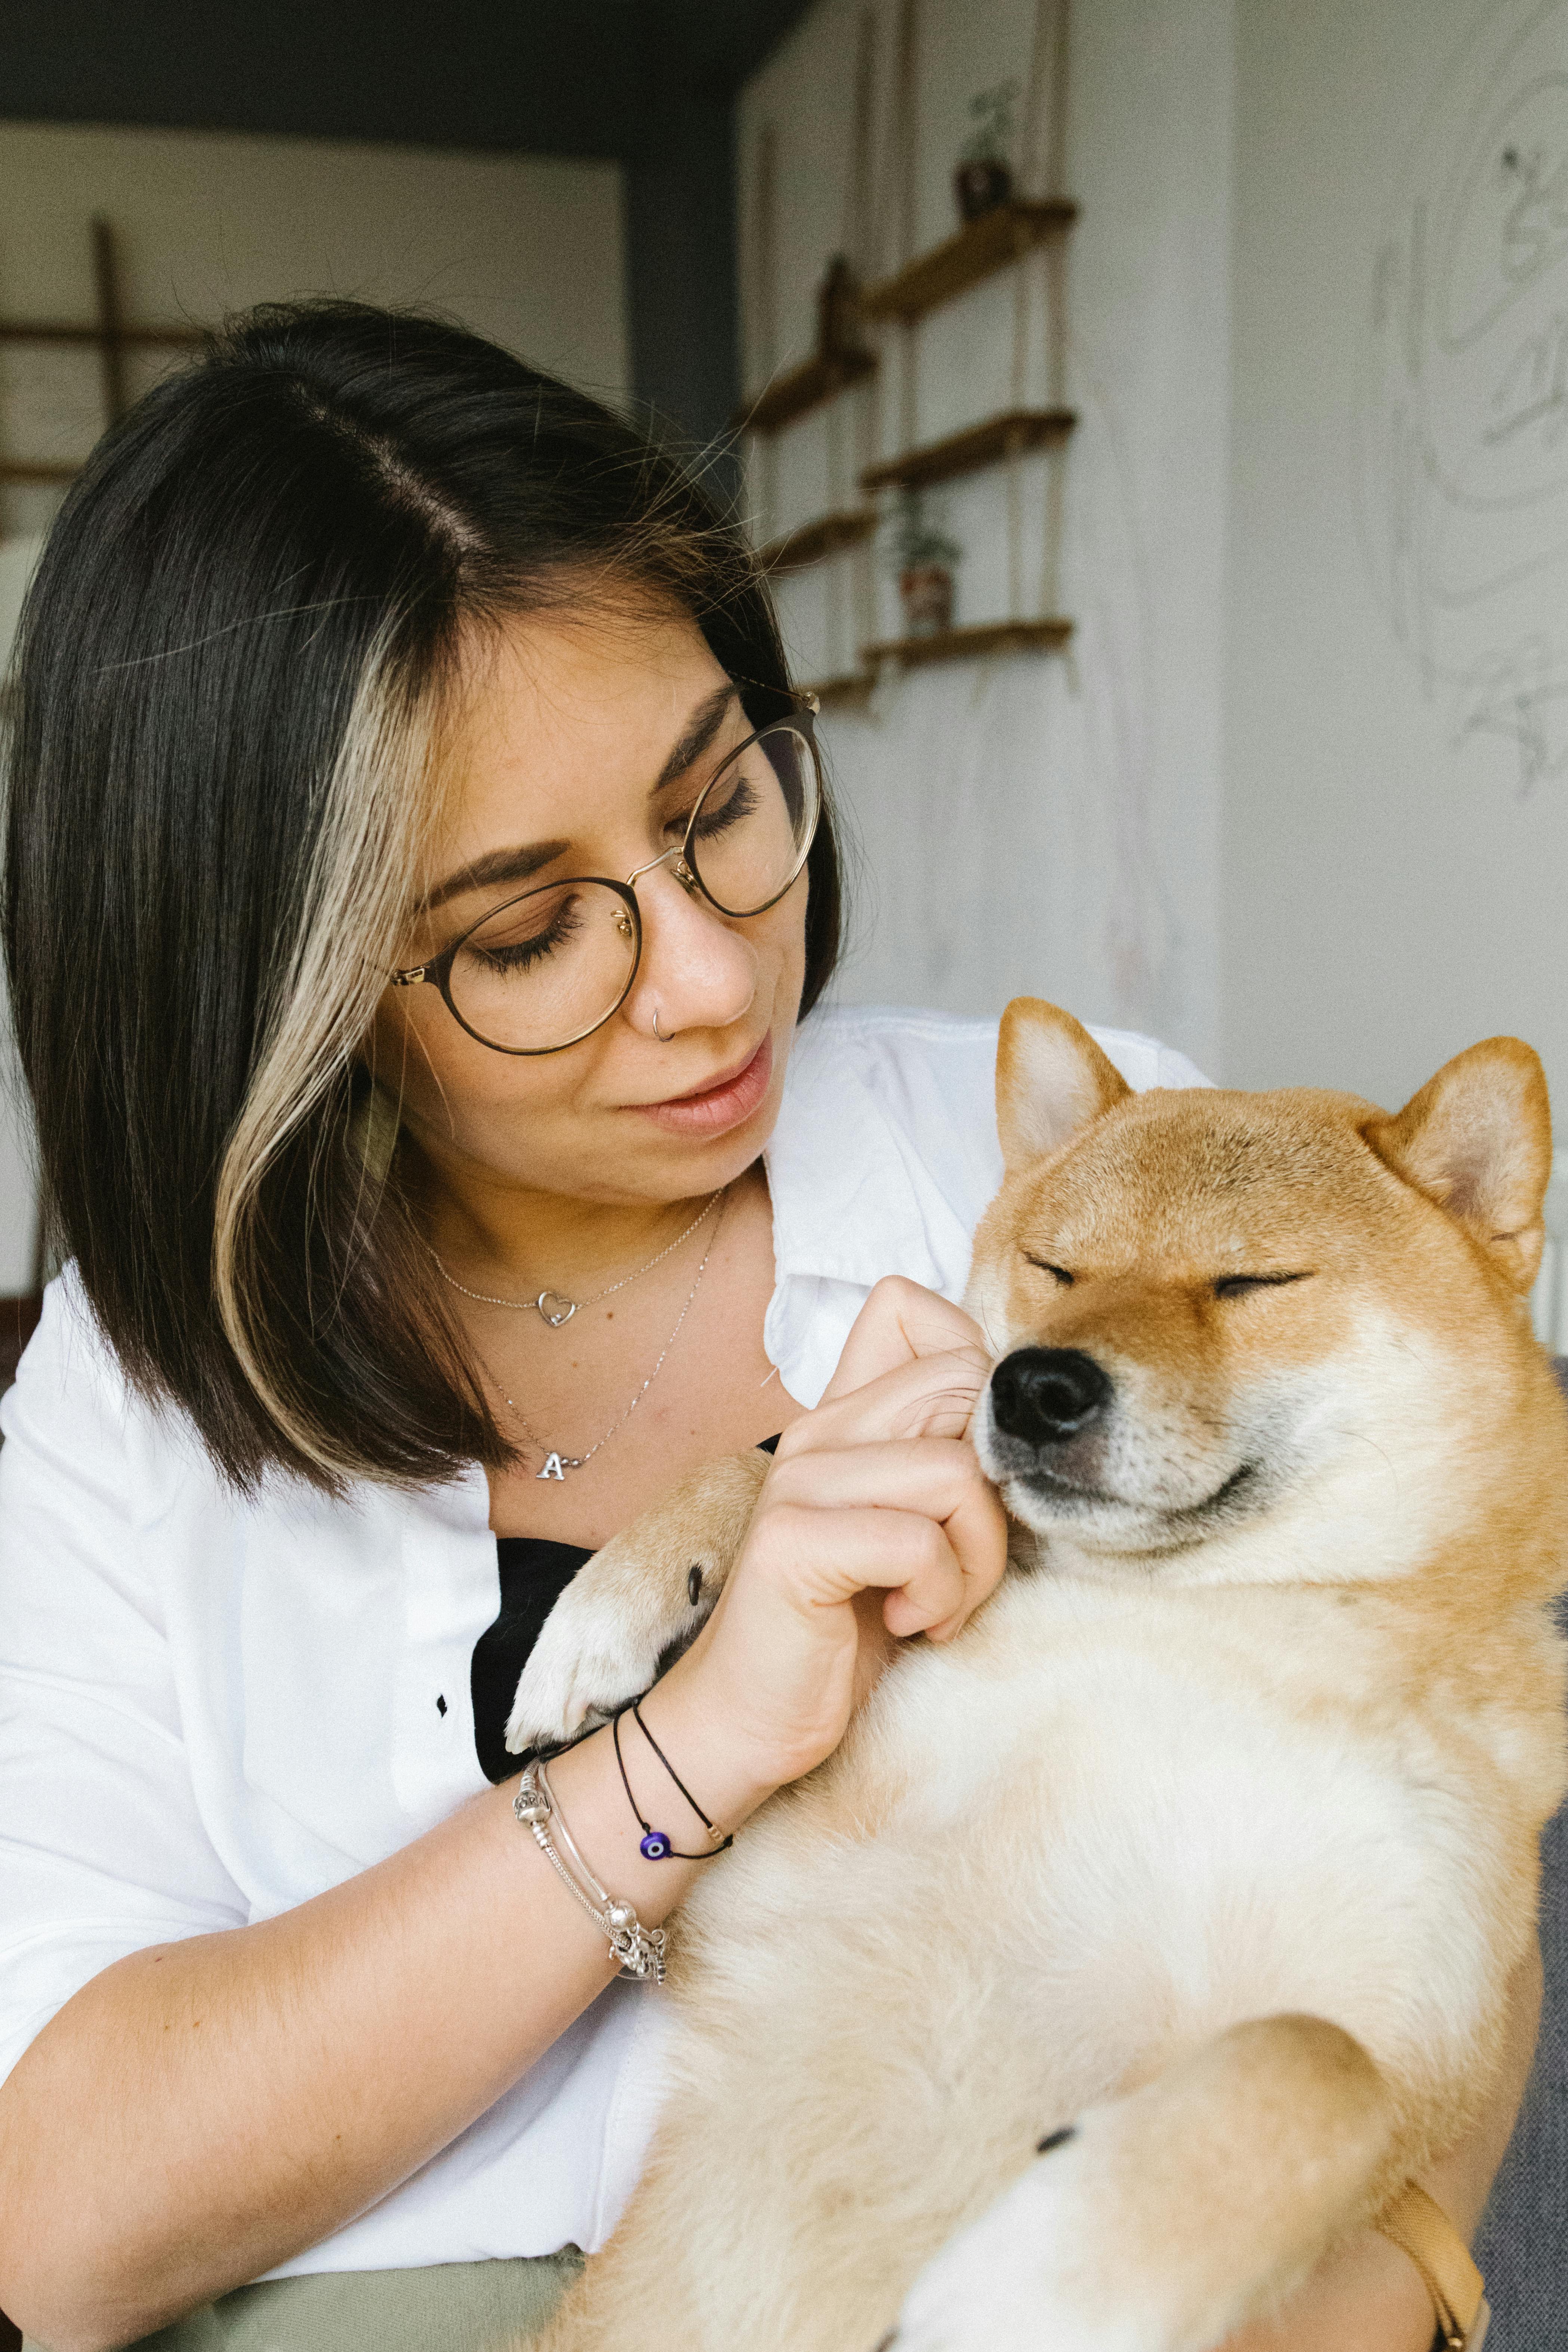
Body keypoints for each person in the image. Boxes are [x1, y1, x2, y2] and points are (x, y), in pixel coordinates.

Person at [0, 304, 1537, 2352]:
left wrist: (1386, 2285)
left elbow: (1423, 1820)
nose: (715, 980)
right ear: (288, 980)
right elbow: (58, 2218)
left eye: (720, 801)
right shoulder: (136, 1391)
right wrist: (698, 1740)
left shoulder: (1062, 1195)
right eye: (528, 931)